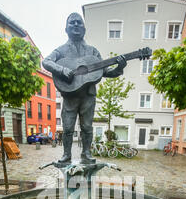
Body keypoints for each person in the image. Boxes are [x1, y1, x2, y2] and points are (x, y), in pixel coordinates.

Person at [42, 12, 126, 164]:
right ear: (66, 29)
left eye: (79, 23)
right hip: (69, 95)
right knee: (67, 127)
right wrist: (62, 70)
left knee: (87, 126)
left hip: (88, 95)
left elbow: (106, 72)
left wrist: (119, 68)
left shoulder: (92, 51)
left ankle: (86, 153)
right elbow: (46, 62)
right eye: (72, 22)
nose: (76, 25)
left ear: (84, 29)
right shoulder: (61, 50)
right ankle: (66, 154)